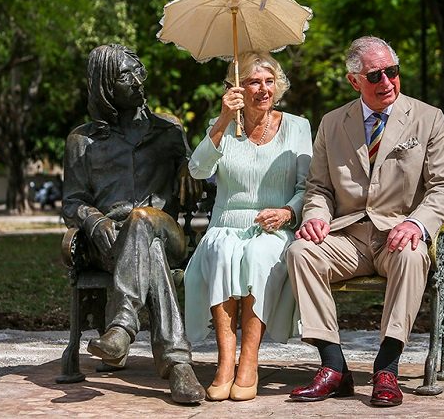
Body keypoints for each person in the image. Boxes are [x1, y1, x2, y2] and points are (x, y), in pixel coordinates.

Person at [286, 36, 444, 407]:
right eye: (375, 75)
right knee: (300, 251)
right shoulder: (332, 123)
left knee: (413, 256)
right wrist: (315, 217)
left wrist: (417, 224)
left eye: (392, 72)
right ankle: (333, 367)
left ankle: (386, 367)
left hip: (398, 235)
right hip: (347, 236)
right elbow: (318, 187)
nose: (387, 83)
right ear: (354, 81)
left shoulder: (429, 118)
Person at [61, 43, 205, 403]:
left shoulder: (168, 131)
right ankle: (178, 366)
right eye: (127, 76)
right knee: (148, 249)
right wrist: (93, 222)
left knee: (145, 223)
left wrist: (192, 167)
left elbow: (198, 177)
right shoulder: (82, 140)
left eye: (139, 70)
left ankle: (123, 325)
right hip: (110, 241)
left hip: (167, 230)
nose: (139, 80)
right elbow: (72, 202)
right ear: (106, 85)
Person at [184, 52, 312, 402]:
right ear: (237, 87)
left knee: (258, 255)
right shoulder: (223, 125)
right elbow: (197, 170)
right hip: (227, 224)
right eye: (254, 81)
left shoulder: (298, 127)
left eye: (269, 81)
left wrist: (288, 212)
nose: (263, 89)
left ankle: (249, 363)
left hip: (275, 226)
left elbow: (308, 188)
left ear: (278, 86)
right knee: (223, 253)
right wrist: (224, 119)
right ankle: (226, 363)